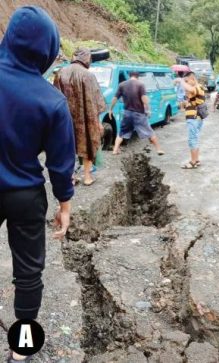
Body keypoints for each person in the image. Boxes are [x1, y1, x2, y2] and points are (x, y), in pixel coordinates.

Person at [0, 6, 75, 362]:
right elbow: (62, 163)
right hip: (24, 195)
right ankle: (21, 349)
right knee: (28, 272)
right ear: (46, 49)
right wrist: (65, 204)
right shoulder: (51, 100)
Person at [53, 47, 107, 186]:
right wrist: (98, 122)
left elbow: (54, 97)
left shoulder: (60, 73)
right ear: (86, 58)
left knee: (67, 148)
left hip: (65, 119)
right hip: (86, 119)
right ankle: (87, 177)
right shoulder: (88, 75)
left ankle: (71, 177)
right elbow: (96, 101)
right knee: (88, 145)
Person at [109, 71, 165, 155]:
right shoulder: (140, 84)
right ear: (138, 76)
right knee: (150, 132)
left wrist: (110, 109)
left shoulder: (122, 85)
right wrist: (148, 109)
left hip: (127, 113)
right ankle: (158, 149)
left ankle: (115, 150)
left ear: (129, 75)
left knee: (121, 132)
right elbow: (144, 98)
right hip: (139, 114)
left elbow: (115, 98)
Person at [181, 71, 207, 169]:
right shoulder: (196, 88)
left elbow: (190, 89)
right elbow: (189, 97)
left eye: (187, 81)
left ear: (192, 79)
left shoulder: (197, 87)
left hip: (194, 118)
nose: (186, 84)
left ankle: (193, 162)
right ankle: (196, 160)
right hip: (195, 118)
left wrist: (180, 80)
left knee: (192, 139)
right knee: (194, 138)